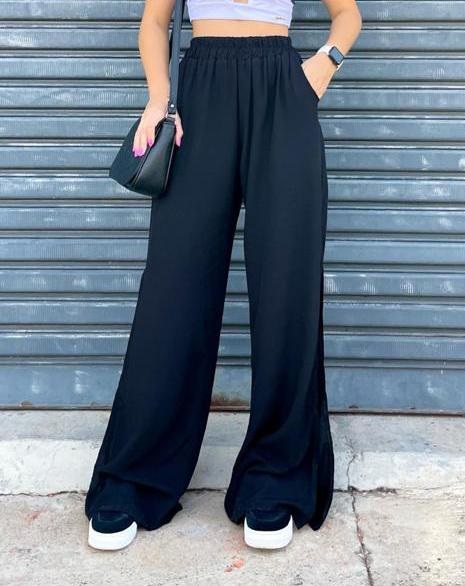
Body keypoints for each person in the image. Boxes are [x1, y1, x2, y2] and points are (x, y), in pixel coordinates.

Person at [85, 0, 362, 551]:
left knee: (287, 284)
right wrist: (159, 99)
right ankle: (136, 476)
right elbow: (154, 22)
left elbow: (348, 15)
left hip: (283, 91)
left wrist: (321, 67)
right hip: (201, 92)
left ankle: (276, 478)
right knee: (174, 289)